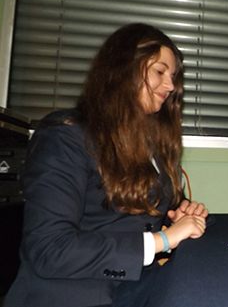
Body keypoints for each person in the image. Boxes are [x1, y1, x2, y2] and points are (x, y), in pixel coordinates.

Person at [4, 23, 209, 307]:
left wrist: (177, 214)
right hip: (70, 296)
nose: (171, 86)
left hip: (134, 288)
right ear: (124, 69)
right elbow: (49, 250)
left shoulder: (150, 141)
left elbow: (137, 214)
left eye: (173, 76)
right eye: (160, 72)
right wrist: (162, 239)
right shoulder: (65, 136)